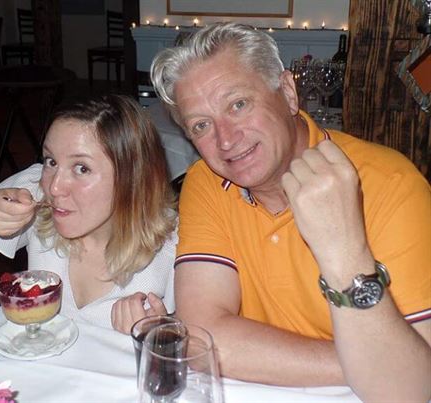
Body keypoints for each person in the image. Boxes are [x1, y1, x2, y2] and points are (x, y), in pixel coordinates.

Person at [151, 22, 431, 401]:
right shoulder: (207, 181)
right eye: (201, 125)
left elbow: (411, 388)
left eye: (238, 104)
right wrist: (364, 363)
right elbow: (203, 335)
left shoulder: (392, 186)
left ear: (287, 92)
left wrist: (344, 251)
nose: (226, 139)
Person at [0, 94, 177, 334]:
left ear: (132, 178)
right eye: (51, 160)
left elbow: (199, 356)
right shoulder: (34, 189)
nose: (54, 186)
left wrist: (158, 335)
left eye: (82, 168)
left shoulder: (174, 241)